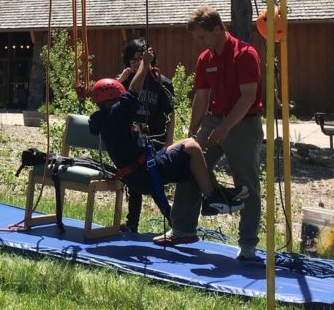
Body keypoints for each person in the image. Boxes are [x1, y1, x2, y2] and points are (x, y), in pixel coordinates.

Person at [153, 6, 263, 261]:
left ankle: (247, 244)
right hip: (214, 120)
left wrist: (226, 128)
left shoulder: (245, 54)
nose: (201, 43)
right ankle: (183, 229)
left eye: (203, 37)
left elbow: (248, 97)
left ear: (218, 30)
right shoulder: (206, 58)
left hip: (244, 122)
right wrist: (193, 134)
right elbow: (201, 98)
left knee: (246, 183)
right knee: (189, 161)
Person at [88, 47, 246, 222]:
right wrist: (145, 63)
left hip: (136, 174)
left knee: (189, 148)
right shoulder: (117, 113)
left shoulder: (102, 119)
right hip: (145, 173)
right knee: (193, 147)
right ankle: (211, 198)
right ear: (115, 98)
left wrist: (120, 80)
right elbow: (133, 91)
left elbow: (111, 94)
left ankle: (218, 193)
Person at [116, 38, 174, 232]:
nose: (136, 64)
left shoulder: (160, 82)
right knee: (133, 182)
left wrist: (169, 141)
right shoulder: (126, 83)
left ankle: (173, 220)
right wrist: (120, 81)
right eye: (132, 60)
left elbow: (170, 113)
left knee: (153, 183)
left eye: (140, 59)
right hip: (133, 141)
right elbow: (106, 101)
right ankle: (132, 223)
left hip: (154, 139)